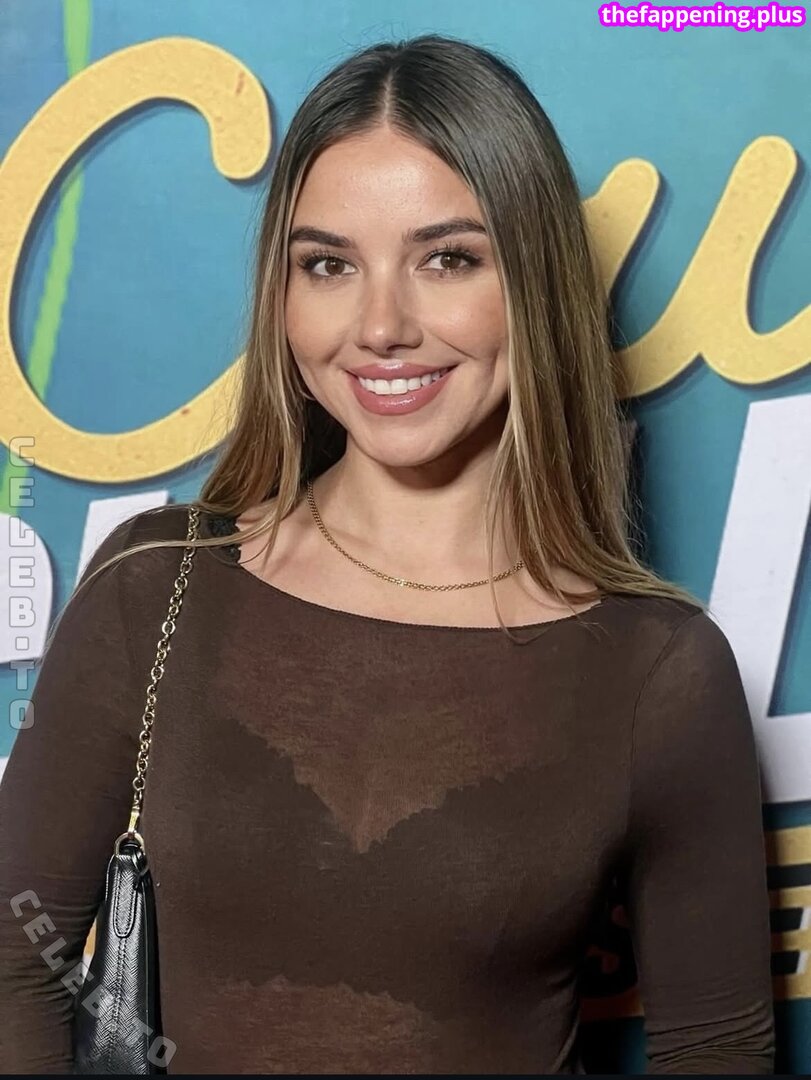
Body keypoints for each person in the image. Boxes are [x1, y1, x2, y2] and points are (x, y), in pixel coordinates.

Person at [0, 33, 774, 1075]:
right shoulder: (156, 586)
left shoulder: (656, 669)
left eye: (446, 258)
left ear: (535, 280)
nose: (379, 326)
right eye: (328, 265)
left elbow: (715, 1048)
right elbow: (17, 956)